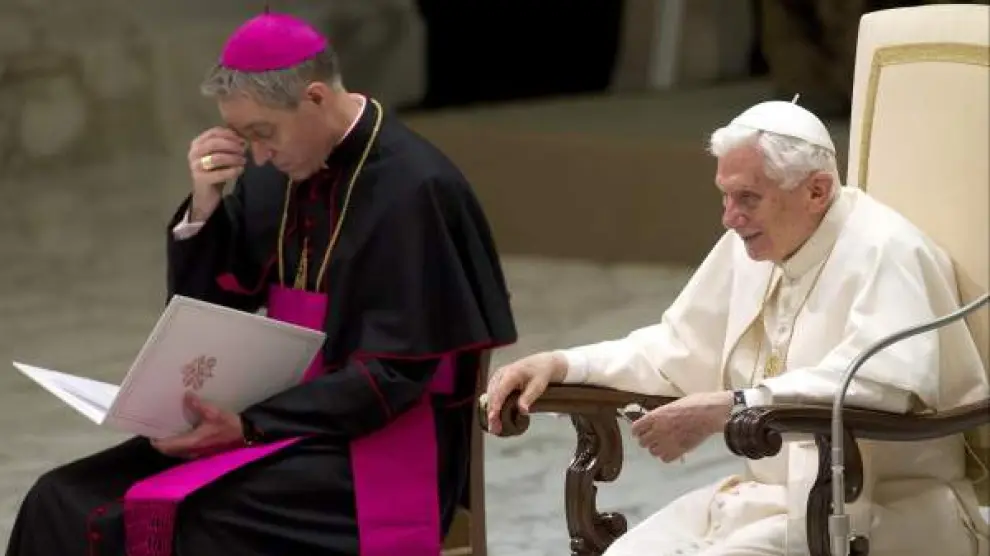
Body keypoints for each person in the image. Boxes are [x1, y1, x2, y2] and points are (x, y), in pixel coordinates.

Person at [6, 11, 516, 556]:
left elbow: (395, 375)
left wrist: (252, 425)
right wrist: (206, 205)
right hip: (282, 419)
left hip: (379, 445)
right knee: (58, 497)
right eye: (244, 137)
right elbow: (213, 305)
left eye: (263, 133)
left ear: (315, 98)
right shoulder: (281, 172)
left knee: (182, 519)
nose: (258, 156)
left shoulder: (415, 188)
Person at [484, 99, 989, 556]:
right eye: (725, 196)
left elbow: (882, 385)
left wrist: (733, 405)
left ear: (817, 191)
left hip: (879, 512)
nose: (730, 218)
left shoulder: (886, 251)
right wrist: (561, 364)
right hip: (764, 501)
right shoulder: (753, 247)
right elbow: (676, 348)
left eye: (747, 198)